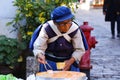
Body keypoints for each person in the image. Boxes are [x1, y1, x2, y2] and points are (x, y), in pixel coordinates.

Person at [33, 6, 85, 72]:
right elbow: (39, 47)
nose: (67, 26)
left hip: (69, 62)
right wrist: (39, 55)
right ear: (55, 23)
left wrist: (71, 61)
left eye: (69, 22)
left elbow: (79, 49)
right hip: (49, 63)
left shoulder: (75, 29)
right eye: (63, 24)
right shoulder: (47, 28)